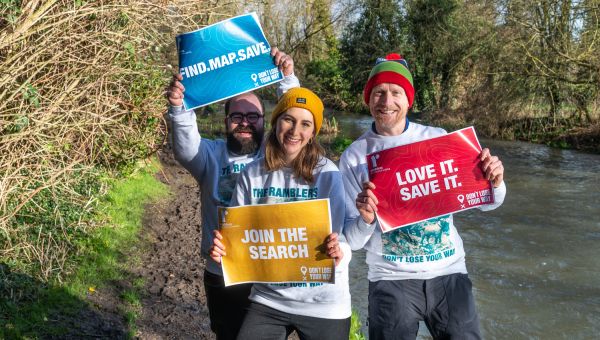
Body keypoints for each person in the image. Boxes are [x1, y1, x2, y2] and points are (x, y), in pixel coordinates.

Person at [339, 53, 507, 340]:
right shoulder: (354, 157)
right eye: (378, 92)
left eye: (395, 93)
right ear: (368, 100)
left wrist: (495, 181)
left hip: (450, 273)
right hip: (391, 279)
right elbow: (352, 242)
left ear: (409, 100)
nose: (386, 101)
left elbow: (489, 203)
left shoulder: (437, 138)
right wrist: (366, 219)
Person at [165, 48, 299, 340]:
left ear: (265, 121)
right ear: (225, 122)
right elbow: (185, 142)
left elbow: (295, 117)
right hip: (222, 272)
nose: (245, 122)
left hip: (269, 272)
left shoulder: (275, 153)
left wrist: (288, 79)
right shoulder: (209, 155)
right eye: (237, 116)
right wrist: (179, 106)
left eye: (253, 116)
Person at [210, 88, 352, 340]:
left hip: (324, 302)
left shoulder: (329, 173)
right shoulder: (251, 174)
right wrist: (225, 250)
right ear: (275, 122)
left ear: (313, 132)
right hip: (269, 298)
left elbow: (341, 237)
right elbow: (236, 236)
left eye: (305, 124)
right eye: (288, 119)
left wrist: (339, 249)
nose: (295, 131)